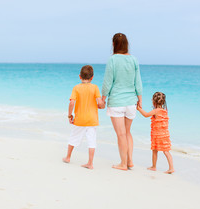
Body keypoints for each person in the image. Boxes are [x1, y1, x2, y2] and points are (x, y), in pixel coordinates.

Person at [102, 33, 142, 171]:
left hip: (117, 102)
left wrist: (103, 97)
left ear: (114, 44)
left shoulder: (113, 60)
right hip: (131, 101)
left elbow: (108, 81)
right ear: (126, 44)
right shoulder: (133, 60)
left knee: (121, 134)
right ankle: (130, 161)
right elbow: (138, 81)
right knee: (128, 133)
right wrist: (140, 99)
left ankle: (123, 164)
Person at [63, 65, 105, 169]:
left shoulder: (76, 88)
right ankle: (90, 163)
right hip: (92, 120)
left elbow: (72, 102)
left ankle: (68, 157)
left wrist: (70, 115)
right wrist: (102, 104)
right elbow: (100, 103)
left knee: (73, 138)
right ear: (92, 77)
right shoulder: (95, 87)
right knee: (92, 141)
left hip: (79, 119)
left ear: (79, 76)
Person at [136, 92, 174, 174]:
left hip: (157, 135)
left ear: (154, 102)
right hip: (164, 134)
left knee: (155, 150)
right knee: (166, 151)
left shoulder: (156, 111)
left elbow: (146, 115)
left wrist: (139, 109)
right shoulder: (164, 111)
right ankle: (170, 167)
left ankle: (154, 166)